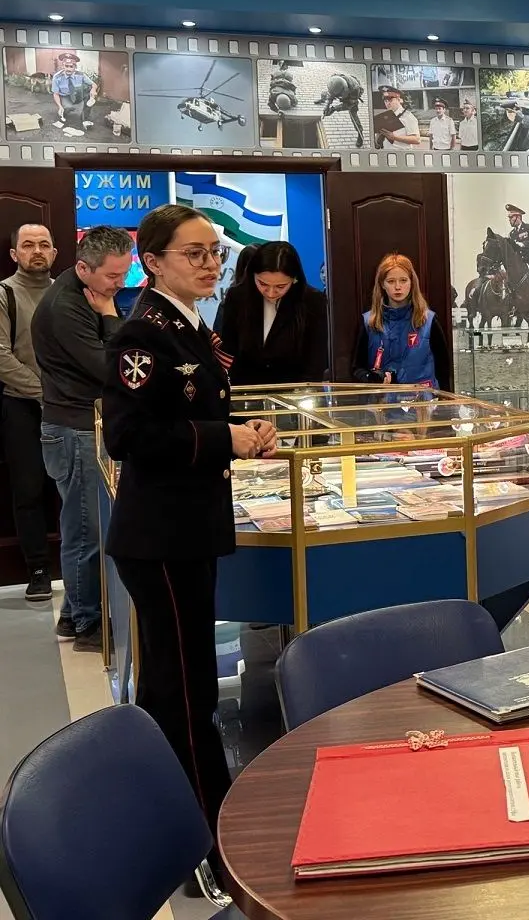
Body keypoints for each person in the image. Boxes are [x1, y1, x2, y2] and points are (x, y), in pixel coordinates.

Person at [102, 204, 278, 850]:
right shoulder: (143, 334)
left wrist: (238, 433)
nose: (210, 265)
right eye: (194, 253)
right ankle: (207, 830)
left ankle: (163, 810)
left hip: (186, 527)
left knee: (172, 682)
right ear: (152, 261)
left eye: (215, 253)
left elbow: (187, 413)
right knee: (186, 687)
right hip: (162, 536)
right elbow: (129, 437)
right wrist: (223, 438)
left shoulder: (186, 324)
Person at [31, 225, 135, 650]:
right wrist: (110, 315)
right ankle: (89, 624)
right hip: (74, 429)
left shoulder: (90, 291)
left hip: (85, 425)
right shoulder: (67, 306)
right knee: (86, 533)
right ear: (83, 268)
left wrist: (109, 311)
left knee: (90, 527)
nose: (120, 283)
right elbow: (114, 368)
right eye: (112, 276)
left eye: (124, 273)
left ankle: (74, 615)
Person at [0, 225, 58, 603]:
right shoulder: (4, 293)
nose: (36, 251)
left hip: (68, 408)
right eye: (28, 245)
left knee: (74, 488)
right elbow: (1, 356)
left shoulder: (67, 294)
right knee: (29, 489)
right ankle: (38, 569)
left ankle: (79, 566)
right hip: (20, 405)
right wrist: (43, 392)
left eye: (43, 245)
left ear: (54, 253)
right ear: (14, 254)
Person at [215, 241, 329, 386]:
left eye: (280, 286)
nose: (270, 293)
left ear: (294, 279)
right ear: (252, 275)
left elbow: (316, 359)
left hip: (294, 390)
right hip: (245, 390)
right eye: (262, 284)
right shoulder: (237, 296)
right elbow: (229, 351)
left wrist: (304, 392)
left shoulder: (313, 300)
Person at [351, 254, 451, 388]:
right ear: (382, 284)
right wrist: (372, 379)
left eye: (403, 280)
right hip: (383, 399)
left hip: (422, 399)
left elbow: (444, 370)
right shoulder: (369, 322)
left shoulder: (428, 320)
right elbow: (357, 368)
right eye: (391, 281)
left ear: (412, 282)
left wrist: (444, 399)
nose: (398, 287)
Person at [51, 50, 95, 131]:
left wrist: (93, 90)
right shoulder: (57, 77)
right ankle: (63, 111)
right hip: (65, 96)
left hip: (76, 94)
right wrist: (60, 106)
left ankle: (85, 118)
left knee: (89, 92)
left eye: (71, 66)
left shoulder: (81, 74)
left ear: (75, 67)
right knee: (68, 108)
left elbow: (93, 84)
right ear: (63, 66)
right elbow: (56, 94)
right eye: (66, 66)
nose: (69, 69)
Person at [377, 86, 421, 150]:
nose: (388, 103)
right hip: (386, 152)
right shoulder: (386, 116)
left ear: (399, 100)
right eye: (386, 101)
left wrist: (394, 137)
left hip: (402, 153)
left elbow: (417, 139)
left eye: (390, 100)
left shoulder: (408, 116)